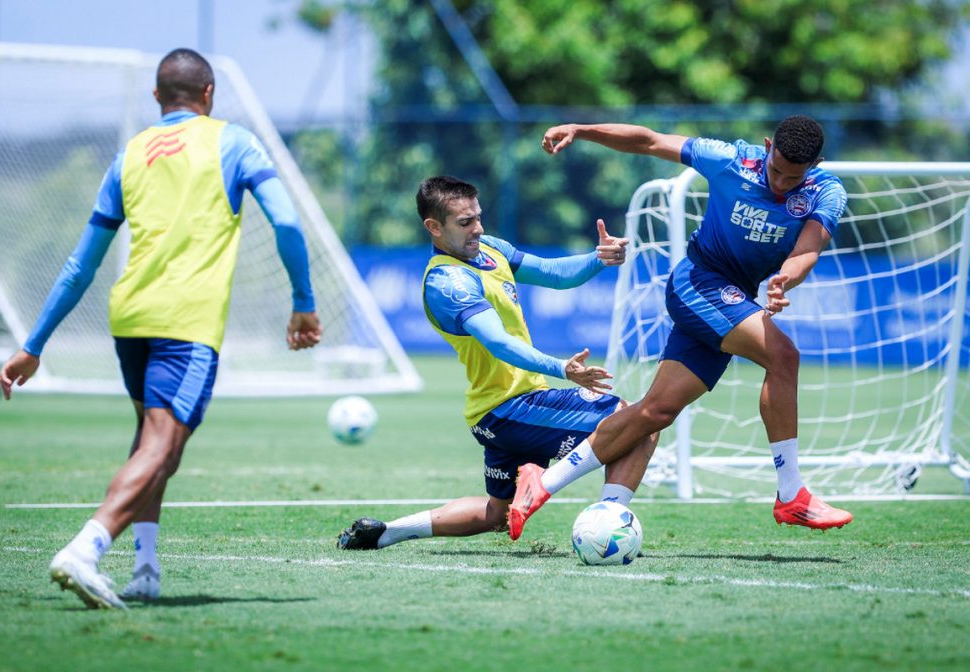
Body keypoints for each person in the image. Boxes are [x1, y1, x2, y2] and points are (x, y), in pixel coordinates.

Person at [0, 48, 322, 609]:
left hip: (129, 319)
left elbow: (81, 265)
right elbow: (288, 221)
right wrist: (303, 301)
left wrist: (34, 346)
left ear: (157, 97)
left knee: (153, 442)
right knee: (162, 445)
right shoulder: (234, 141)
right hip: (186, 322)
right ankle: (86, 548)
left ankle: (145, 568)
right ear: (209, 93)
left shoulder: (129, 155)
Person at [508, 115, 854, 540]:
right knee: (783, 356)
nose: (781, 183)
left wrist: (785, 278)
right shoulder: (730, 160)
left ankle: (539, 485)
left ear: (815, 164)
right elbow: (651, 140)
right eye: (776, 169)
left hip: (732, 299)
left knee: (657, 412)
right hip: (699, 283)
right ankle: (791, 495)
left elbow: (808, 249)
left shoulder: (826, 191)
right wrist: (582, 130)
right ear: (767, 146)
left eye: (792, 177)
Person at [338, 175, 657, 551]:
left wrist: (597, 259)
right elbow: (498, 342)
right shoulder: (447, 282)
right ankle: (607, 517)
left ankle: (386, 533)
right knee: (639, 420)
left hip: (493, 414)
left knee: (498, 515)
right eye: (465, 222)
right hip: (512, 407)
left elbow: (554, 273)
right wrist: (561, 369)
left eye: (478, 217)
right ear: (434, 227)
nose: (478, 228)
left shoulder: (490, 249)